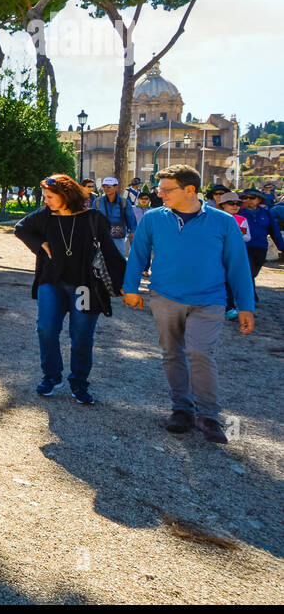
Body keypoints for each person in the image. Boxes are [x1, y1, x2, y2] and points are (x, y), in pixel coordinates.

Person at [122, 165, 255, 444]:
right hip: (165, 297)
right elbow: (138, 255)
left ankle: (208, 415)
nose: (160, 195)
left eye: (166, 190)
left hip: (209, 300)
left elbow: (238, 266)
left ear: (190, 190)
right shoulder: (153, 219)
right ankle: (181, 409)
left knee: (199, 352)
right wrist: (130, 288)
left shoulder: (223, 222)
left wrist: (245, 305)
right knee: (172, 353)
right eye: (160, 190)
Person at [14, 174, 126, 405]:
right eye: (45, 196)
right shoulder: (45, 216)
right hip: (51, 283)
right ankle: (52, 376)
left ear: (66, 195)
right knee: (45, 328)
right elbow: (21, 228)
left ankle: (79, 382)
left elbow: (111, 253)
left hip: (85, 286)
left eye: (50, 197)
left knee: (81, 336)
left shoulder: (93, 219)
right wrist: (40, 244)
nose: (46, 201)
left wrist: (127, 284)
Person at [238, 188, 284, 298]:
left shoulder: (266, 213)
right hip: (244, 247)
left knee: (253, 273)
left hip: (261, 248)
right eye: (245, 197)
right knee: (248, 272)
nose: (248, 200)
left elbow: (275, 231)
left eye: (252, 197)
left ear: (259, 199)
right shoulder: (239, 213)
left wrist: (282, 247)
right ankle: (251, 296)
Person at [216, 191, 249, 321]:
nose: (235, 206)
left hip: (234, 255)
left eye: (238, 203)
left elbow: (247, 237)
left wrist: (236, 238)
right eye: (231, 203)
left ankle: (230, 307)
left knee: (230, 281)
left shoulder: (242, 220)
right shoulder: (215, 219)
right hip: (217, 254)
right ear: (223, 205)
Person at [94, 176, 137, 258]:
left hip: (118, 235)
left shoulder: (124, 202)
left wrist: (133, 232)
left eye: (109, 187)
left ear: (116, 187)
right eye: (104, 186)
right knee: (102, 261)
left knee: (119, 258)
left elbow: (131, 218)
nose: (106, 189)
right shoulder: (98, 201)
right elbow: (93, 218)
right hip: (102, 234)